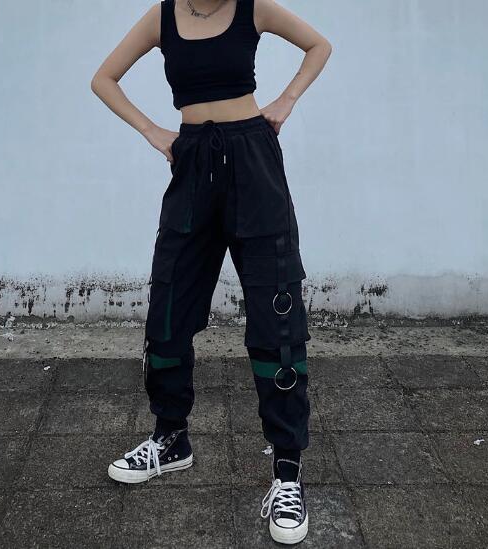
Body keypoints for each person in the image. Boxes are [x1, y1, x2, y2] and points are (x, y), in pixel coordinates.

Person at [91, 0, 331, 543]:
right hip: (193, 163)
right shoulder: (162, 15)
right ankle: (171, 438)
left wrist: (286, 100)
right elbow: (103, 78)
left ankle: (287, 471)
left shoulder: (254, 7)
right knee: (168, 309)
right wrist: (153, 131)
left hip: (254, 161)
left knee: (277, 318)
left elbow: (320, 45)